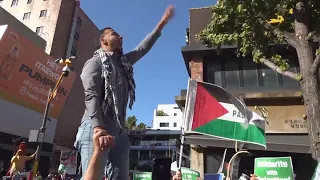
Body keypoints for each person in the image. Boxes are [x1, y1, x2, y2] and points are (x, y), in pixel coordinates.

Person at [74, 4, 174, 180]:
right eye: (114, 34)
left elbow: (142, 49)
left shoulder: (124, 64)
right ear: (103, 41)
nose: (121, 36)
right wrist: (99, 128)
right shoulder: (94, 63)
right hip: (95, 129)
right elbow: (91, 96)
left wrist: (161, 24)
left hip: (118, 132)